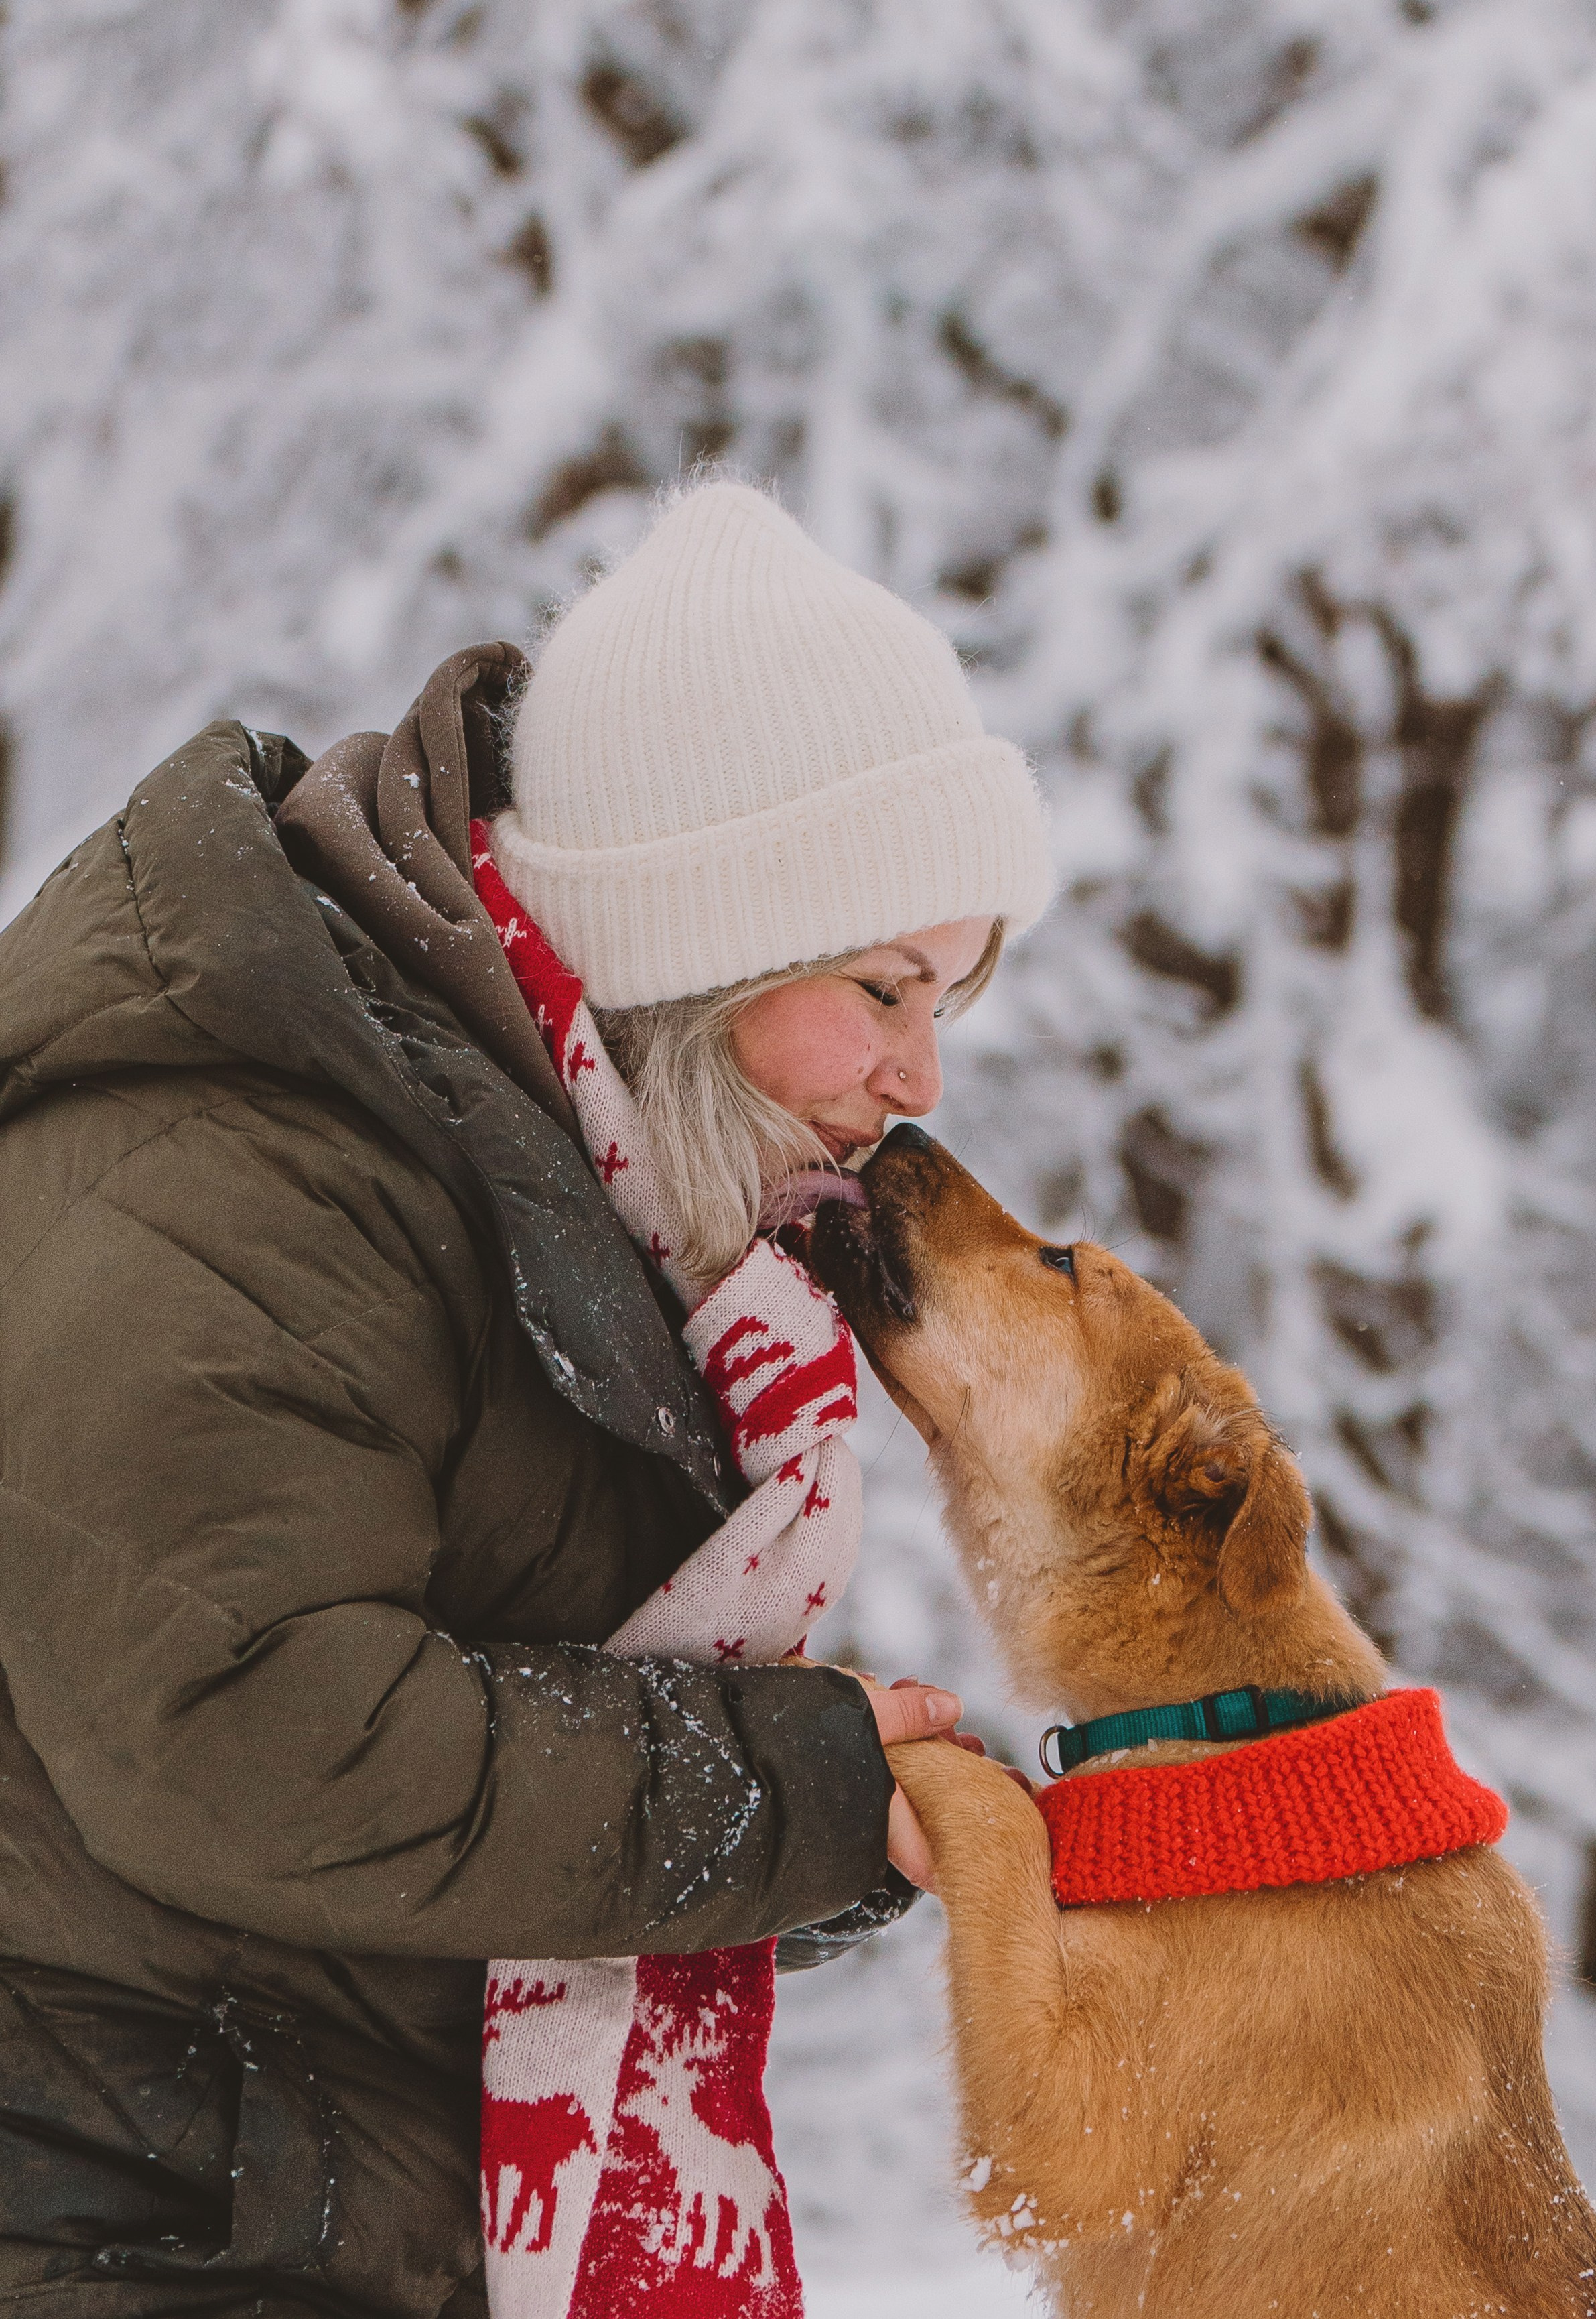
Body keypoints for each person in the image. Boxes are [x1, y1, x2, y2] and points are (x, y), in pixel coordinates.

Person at [0, 481, 1052, 2316]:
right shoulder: (252, 1161)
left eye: (947, 995)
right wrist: (778, 1791)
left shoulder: (576, 1192)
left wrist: (837, 1807)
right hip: (131, 2216)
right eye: (886, 985)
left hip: (304, 2204)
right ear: (697, 944)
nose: (921, 1076)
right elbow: (243, 1733)